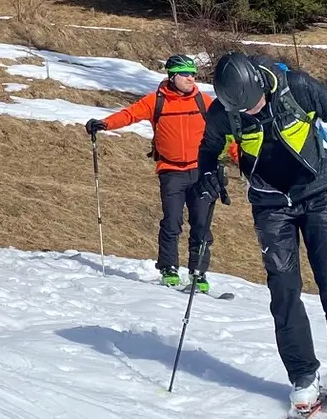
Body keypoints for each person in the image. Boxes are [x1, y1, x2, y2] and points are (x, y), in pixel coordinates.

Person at [193, 52, 327, 417]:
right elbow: (208, 150)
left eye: (254, 105)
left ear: (262, 84)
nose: (250, 112)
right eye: (242, 110)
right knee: (283, 290)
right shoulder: (223, 111)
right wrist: (208, 174)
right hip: (270, 205)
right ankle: (303, 375)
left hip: (319, 197)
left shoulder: (298, 87)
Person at [85, 55, 224, 291]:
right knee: (171, 222)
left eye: (193, 73)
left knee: (201, 223)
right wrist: (105, 123)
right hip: (171, 172)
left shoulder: (204, 102)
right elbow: (129, 114)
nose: (191, 78)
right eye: (185, 74)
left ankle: (198, 273)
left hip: (201, 172)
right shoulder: (156, 101)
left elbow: (224, 131)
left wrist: (243, 160)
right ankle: (169, 269)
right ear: (172, 76)